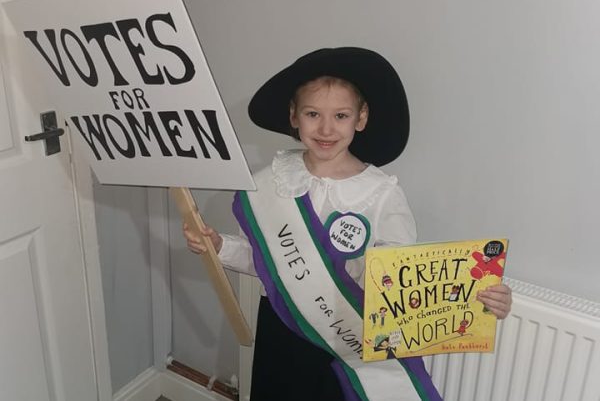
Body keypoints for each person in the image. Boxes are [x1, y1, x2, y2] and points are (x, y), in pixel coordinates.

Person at [184, 47, 512, 401]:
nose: (326, 128)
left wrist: (477, 298)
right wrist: (220, 247)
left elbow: (408, 282)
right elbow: (262, 260)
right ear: (294, 116)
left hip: (349, 342)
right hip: (283, 326)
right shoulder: (270, 182)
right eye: (313, 114)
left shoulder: (382, 195)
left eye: (341, 115)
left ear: (361, 117)